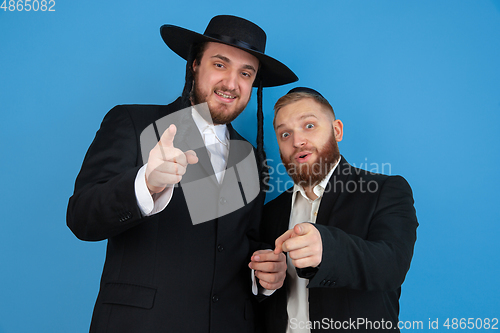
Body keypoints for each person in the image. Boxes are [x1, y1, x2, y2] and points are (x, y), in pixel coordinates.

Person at [67, 15, 297, 332]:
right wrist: (145, 183)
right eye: (220, 65)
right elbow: (81, 217)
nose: (232, 83)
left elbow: (245, 249)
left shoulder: (252, 158)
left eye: (246, 73)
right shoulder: (134, 123)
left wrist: (265, 279)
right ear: (195, 64)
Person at [252, 87, 418, 332]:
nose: (297, 141)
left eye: (309, 125)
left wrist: (327, 250)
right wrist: (265, 283)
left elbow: (393, 265)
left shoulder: (387, 190)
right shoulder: (270, 211)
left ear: (336, 130)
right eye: (285, 134)